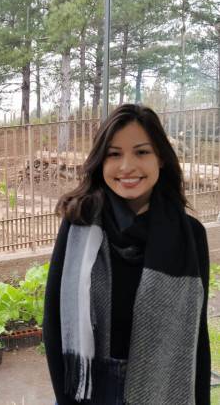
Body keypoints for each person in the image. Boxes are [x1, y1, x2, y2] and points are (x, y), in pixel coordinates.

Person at [42, 104, 210, 405]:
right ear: (100, 161)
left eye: (142, 152)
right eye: (114, 154)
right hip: (91, 389)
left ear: (160, 158)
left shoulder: (190, 235)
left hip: (161, 389)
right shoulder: (79, 223)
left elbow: (195, 336)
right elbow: (54, 322)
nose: (127, 166)